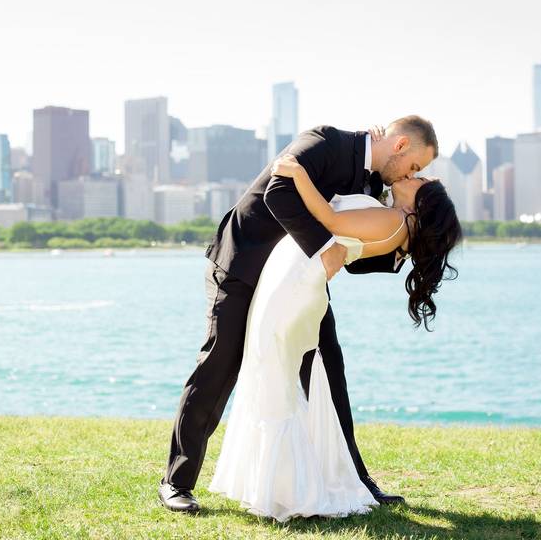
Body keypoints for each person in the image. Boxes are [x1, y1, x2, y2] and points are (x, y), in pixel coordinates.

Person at [160, 118, 439, 514]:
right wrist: (324, 247)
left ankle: (354, 480)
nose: (412, 175)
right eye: (414, 166)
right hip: (243, 264)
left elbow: (351, 252)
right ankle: (176, 482)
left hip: (298, 283)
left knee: (328, 373)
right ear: (401, 145)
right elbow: (278, 193)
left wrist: (400, 248)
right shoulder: (325, 141)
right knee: (219, 366)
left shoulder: (374, 186)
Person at [206, 155, 462, 521]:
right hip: (296, 274)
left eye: (420, 179)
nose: (413, 175)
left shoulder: (394, 220)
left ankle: (290, 489)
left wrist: (297, 173)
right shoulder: (396, 222)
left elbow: (330, 219)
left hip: (295, 281)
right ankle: (283, 483)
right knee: (274, 373)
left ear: (423, 203)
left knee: (274, 374)